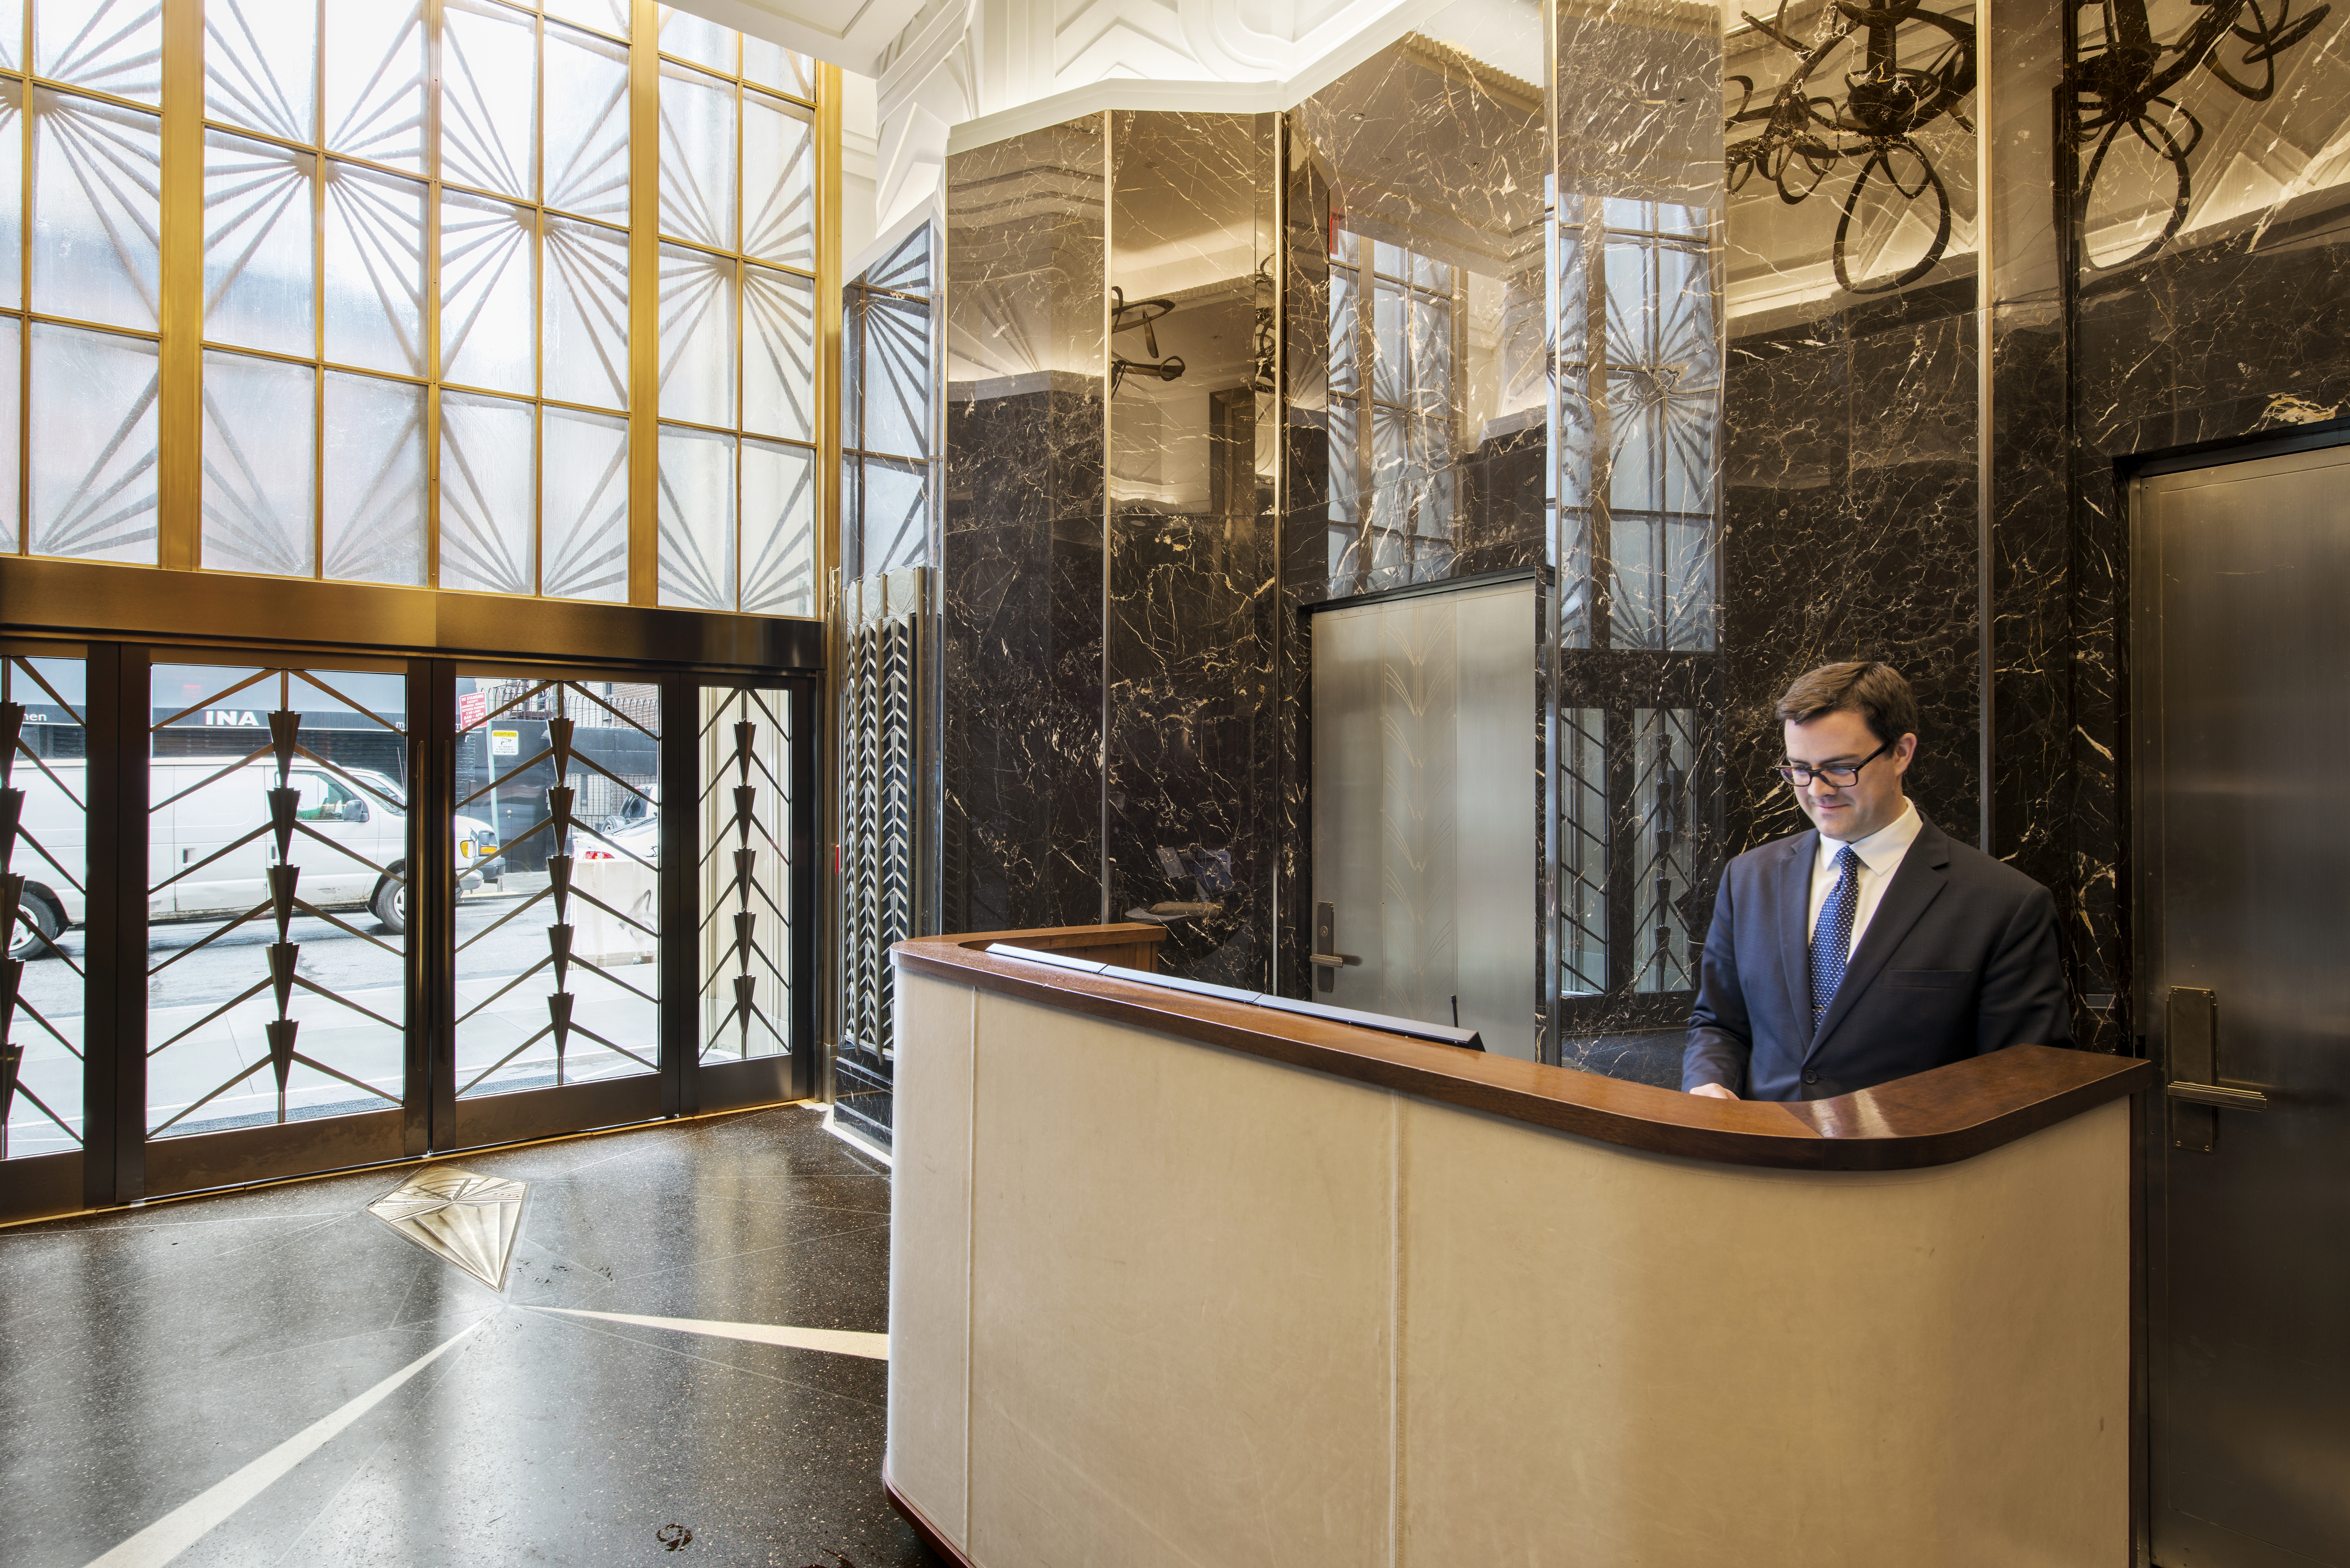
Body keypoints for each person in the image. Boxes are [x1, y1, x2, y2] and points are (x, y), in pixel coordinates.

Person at [1682, 661, 2069, 1102]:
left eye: (1842, 768)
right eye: (1800, 770)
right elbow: (1719, 1023)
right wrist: (1708, 1086)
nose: (1818, 790)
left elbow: (2022, 1078)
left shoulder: (2006, 903)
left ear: (1902, 752)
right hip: (1762, 1160)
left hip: (1912, 1166)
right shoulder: (1749, 878)